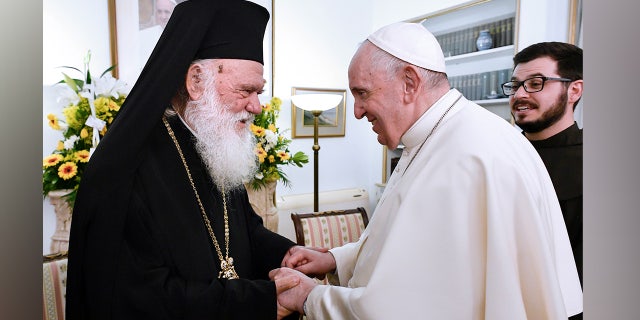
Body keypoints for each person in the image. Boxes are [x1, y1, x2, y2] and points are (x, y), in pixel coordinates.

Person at [270, 22, 583, 319]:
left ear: (409, 83)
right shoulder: (440, 138)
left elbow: (401, 307)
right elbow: (401, 248)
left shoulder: (464, 156)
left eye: (363, 92)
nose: (357, 111)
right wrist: (335, 258)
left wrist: (310, 296)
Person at [65, 1, 300, 319]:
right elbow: (139, 296)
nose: (256, 106)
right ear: (195, 81)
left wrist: (287, 254)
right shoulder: (122, 171)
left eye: (259, 91)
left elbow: (247, 229)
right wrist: (256, 301)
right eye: (246, 90)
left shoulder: (215, 146)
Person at [505, 41, 583, 319]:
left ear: (574, 90)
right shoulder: (498, 154)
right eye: (515, 85)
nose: (520, 94)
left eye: (536, 83)